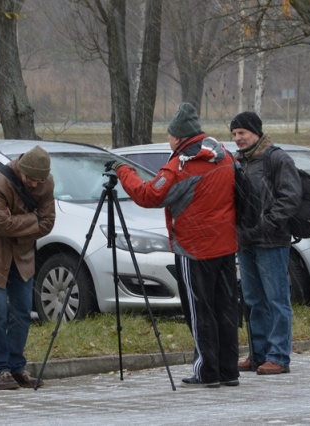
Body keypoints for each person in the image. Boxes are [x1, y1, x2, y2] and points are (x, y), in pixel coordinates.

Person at [108, 102, 239, 388]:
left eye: (169, 135)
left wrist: (123, 170)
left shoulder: (182, 165)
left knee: (199, 311)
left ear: (178, 137)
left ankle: (206, 372)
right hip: (226, 244)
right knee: (225, 309)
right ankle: (229, 371)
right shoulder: (225, 156)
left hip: (194, 248)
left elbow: (148, 195)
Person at [0, 145, 56, 390]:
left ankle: (17, 365)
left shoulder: (45, 184)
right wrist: (33, 219)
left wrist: (22, 222)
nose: (34, 185)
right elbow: (2, 225)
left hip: (22, 255)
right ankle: (0, 369)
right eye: (31, 180)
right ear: (22, 171)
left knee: (22, 312)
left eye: (39, 181)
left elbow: (48, 222)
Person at [231, 111, 302, 375]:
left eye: (242, 133)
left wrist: (265, 225)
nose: (238, 138)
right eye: (235, 134)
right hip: (246, 242)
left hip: (272, 242)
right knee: (252, 300)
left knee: (276, 300)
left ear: (256, 132)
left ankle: (279, 357)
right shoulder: (240, 162)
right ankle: (258, 354)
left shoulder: (277, 158)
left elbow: (290, 199)